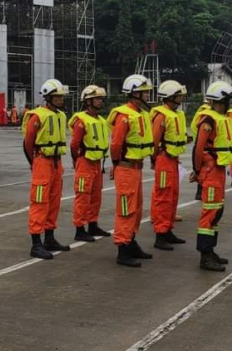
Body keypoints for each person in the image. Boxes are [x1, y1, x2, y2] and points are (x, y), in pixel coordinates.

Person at [109, 74, 156, 267]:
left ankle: (131, 241)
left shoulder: (141, 114)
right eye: (144, 92)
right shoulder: (124, 115)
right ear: (135, 93)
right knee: (126, 210)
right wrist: (115, 164)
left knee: (136, 209)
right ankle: (122, 248)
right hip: (127, 168)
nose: (147, 95)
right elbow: (116, 143)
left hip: (137, 168)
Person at [22, 79, 71, 259]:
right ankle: (36, 244)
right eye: (57, 96)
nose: (61, 99)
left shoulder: (61, 115)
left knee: (54, 201)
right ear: (48, 97)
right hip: (42, 161)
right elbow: (28, 142)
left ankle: (49, 238)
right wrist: (33, 162)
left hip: (57, 163)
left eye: (61, 96)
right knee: (39, 201)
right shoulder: (37, 116)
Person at [194, 81, 232, 272]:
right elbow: (198, 148)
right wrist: (197, 172)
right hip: (211, 171)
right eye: (227, 99)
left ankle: (210, 251)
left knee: (216, 213)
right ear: (220, 100)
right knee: (209, 213)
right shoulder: (208, 120)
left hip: (219, 170)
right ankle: (205, 256)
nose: (230, 103)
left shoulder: (222, 118)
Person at [69, 85, 112, 243]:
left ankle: (93, 224)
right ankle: (79, 229)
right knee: (82, 196)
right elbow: (74, 144)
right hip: (85, 162)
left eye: (101, 99)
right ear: (88, 101)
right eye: (97, 99)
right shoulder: (81, 120)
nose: (101, 101)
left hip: (97, 163)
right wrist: (77, 160)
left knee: (96, 196)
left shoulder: (101, 120)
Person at [151, 80, 189, 250]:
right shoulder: (161, 115)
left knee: (173, 196)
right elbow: (155, 140)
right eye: (178, 95)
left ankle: (168, 230)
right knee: (163, 197)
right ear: (170, 97)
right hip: (164, 159)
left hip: (173, 159)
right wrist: (154, 159)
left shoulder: (175, 114)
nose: (181, 98)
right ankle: (160, 234)